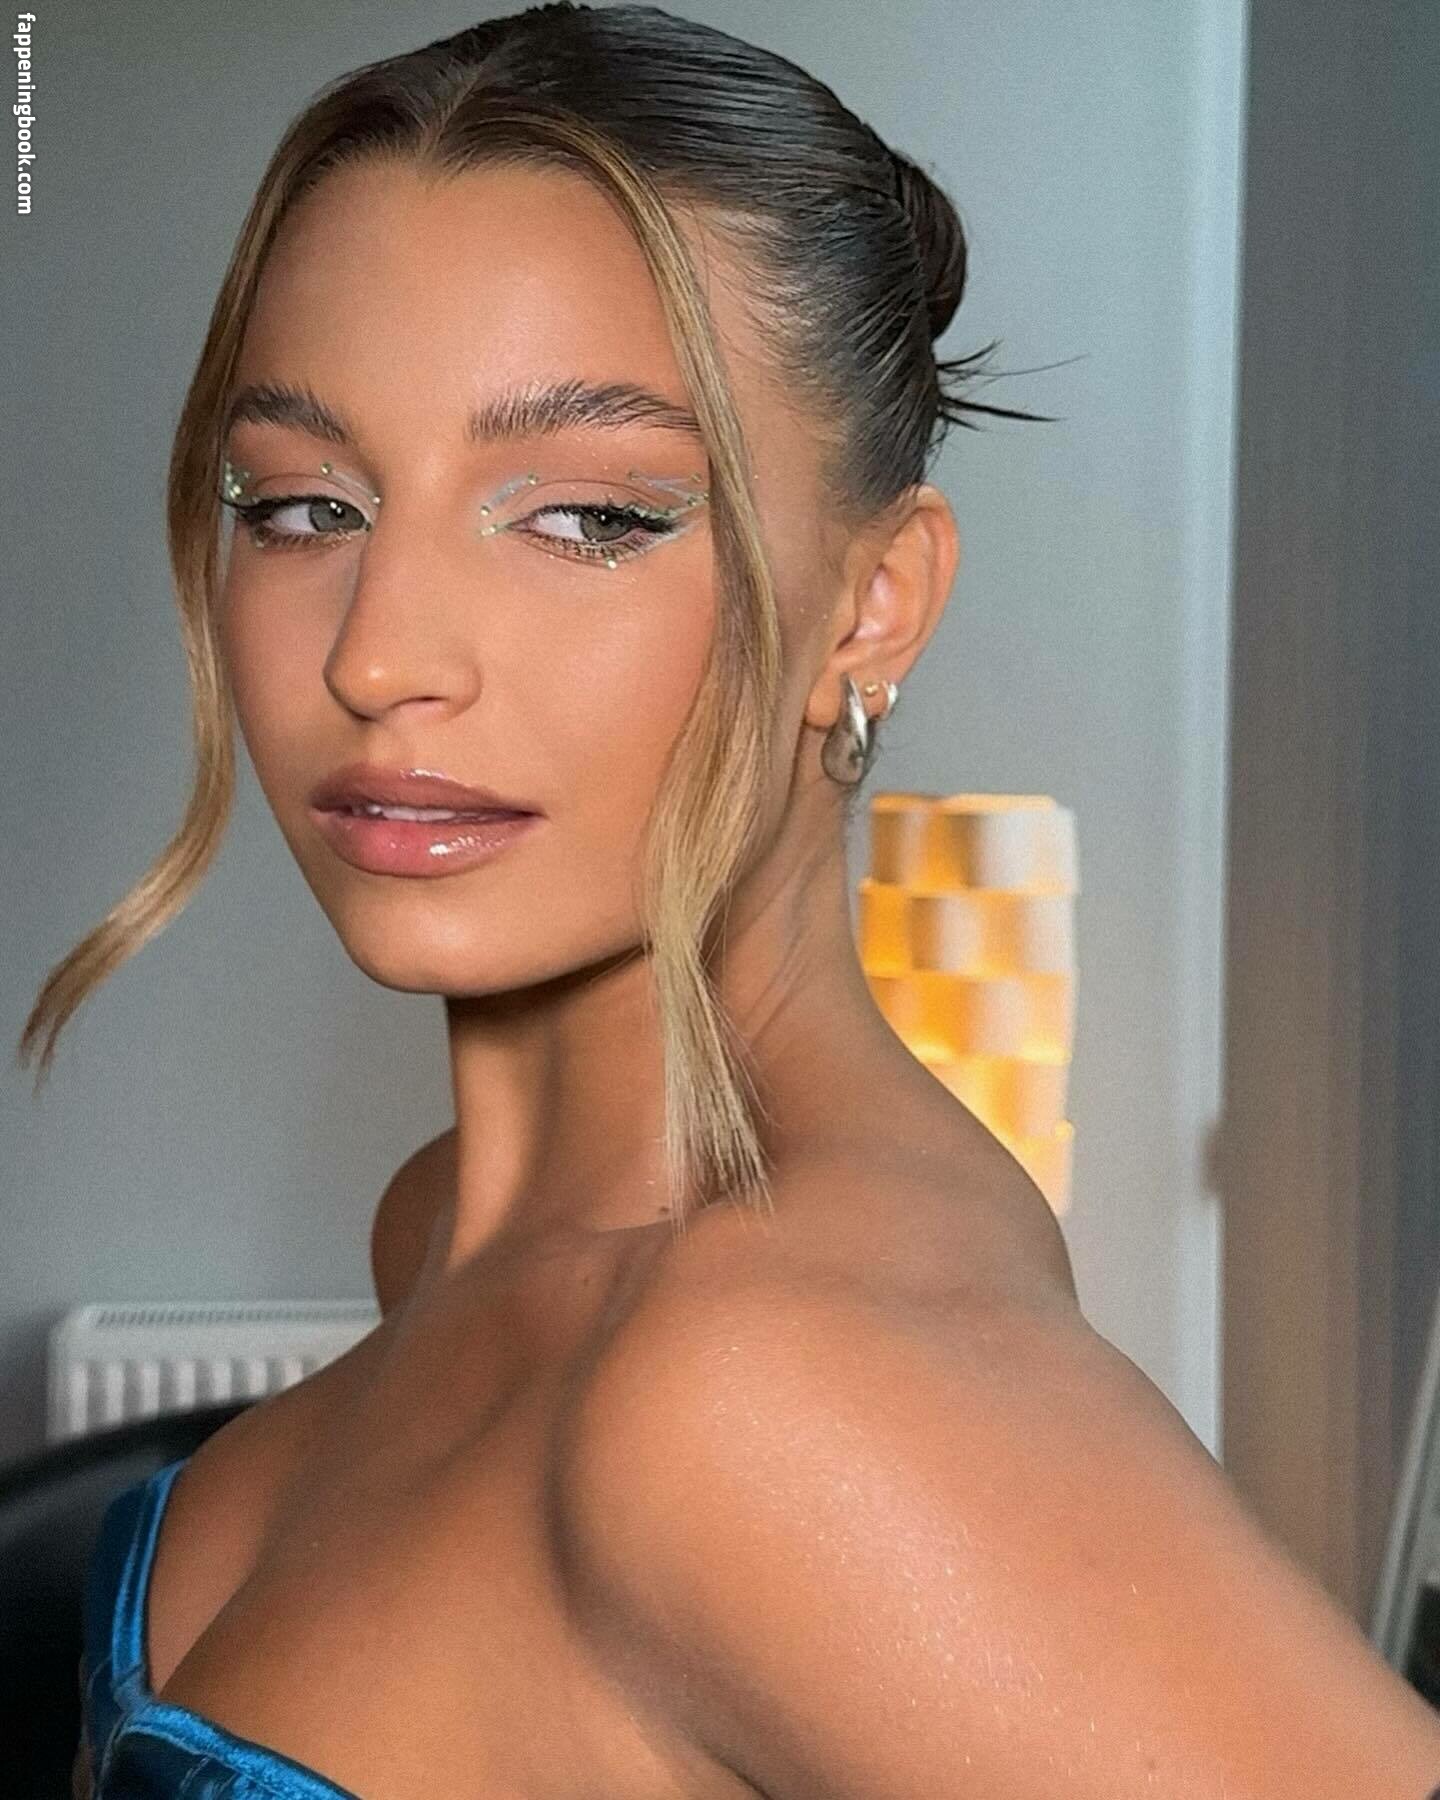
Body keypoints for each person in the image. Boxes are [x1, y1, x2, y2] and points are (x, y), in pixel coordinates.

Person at [24, 5, 1440, 1796]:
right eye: (304, 505)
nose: (377, 656)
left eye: (590, 519)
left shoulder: (773, 1391)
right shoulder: (448, 1224)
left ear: (875, 602)